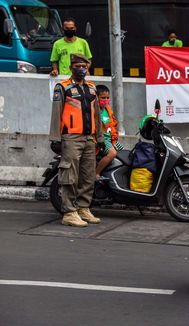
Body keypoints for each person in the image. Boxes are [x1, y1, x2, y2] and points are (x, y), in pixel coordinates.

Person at [49, 54, 104, 227]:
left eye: (84, 66)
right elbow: (56, 114)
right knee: (70, 176)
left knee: (88, 175)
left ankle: (83, 208)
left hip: (89, 138)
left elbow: (96, 116)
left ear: (88, 67)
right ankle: (69, 212)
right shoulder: (62, 87)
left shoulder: (92, 88)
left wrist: (99, 137)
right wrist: (55, 138)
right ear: (72, 67)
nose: (81, 69)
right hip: (71, 138)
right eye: (78, 65)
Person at [95, 85, 124, 178]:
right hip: (102, 140)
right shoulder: (93, 111)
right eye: (103, 98)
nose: (106, 100)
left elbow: (113, 127)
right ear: (96, 98)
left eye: (107, 98)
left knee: (124, 154)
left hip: (110, 139)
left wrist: (114, 141)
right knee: (112, 153)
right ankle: (96, 173)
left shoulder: (108, 110)